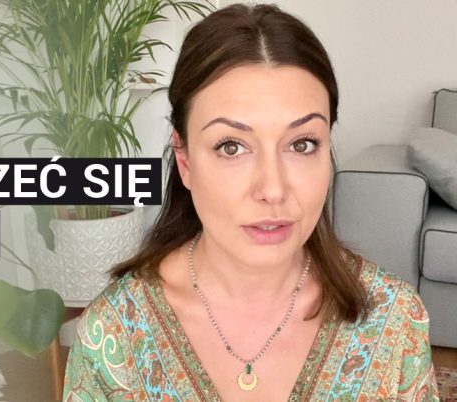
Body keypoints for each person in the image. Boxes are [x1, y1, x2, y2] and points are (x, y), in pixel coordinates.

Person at [62, 3, 440, 401]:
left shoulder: (394, 320)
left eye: (302, 144)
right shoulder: (115, 334)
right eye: (231, 147)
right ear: (185, 160)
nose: (273, 189)